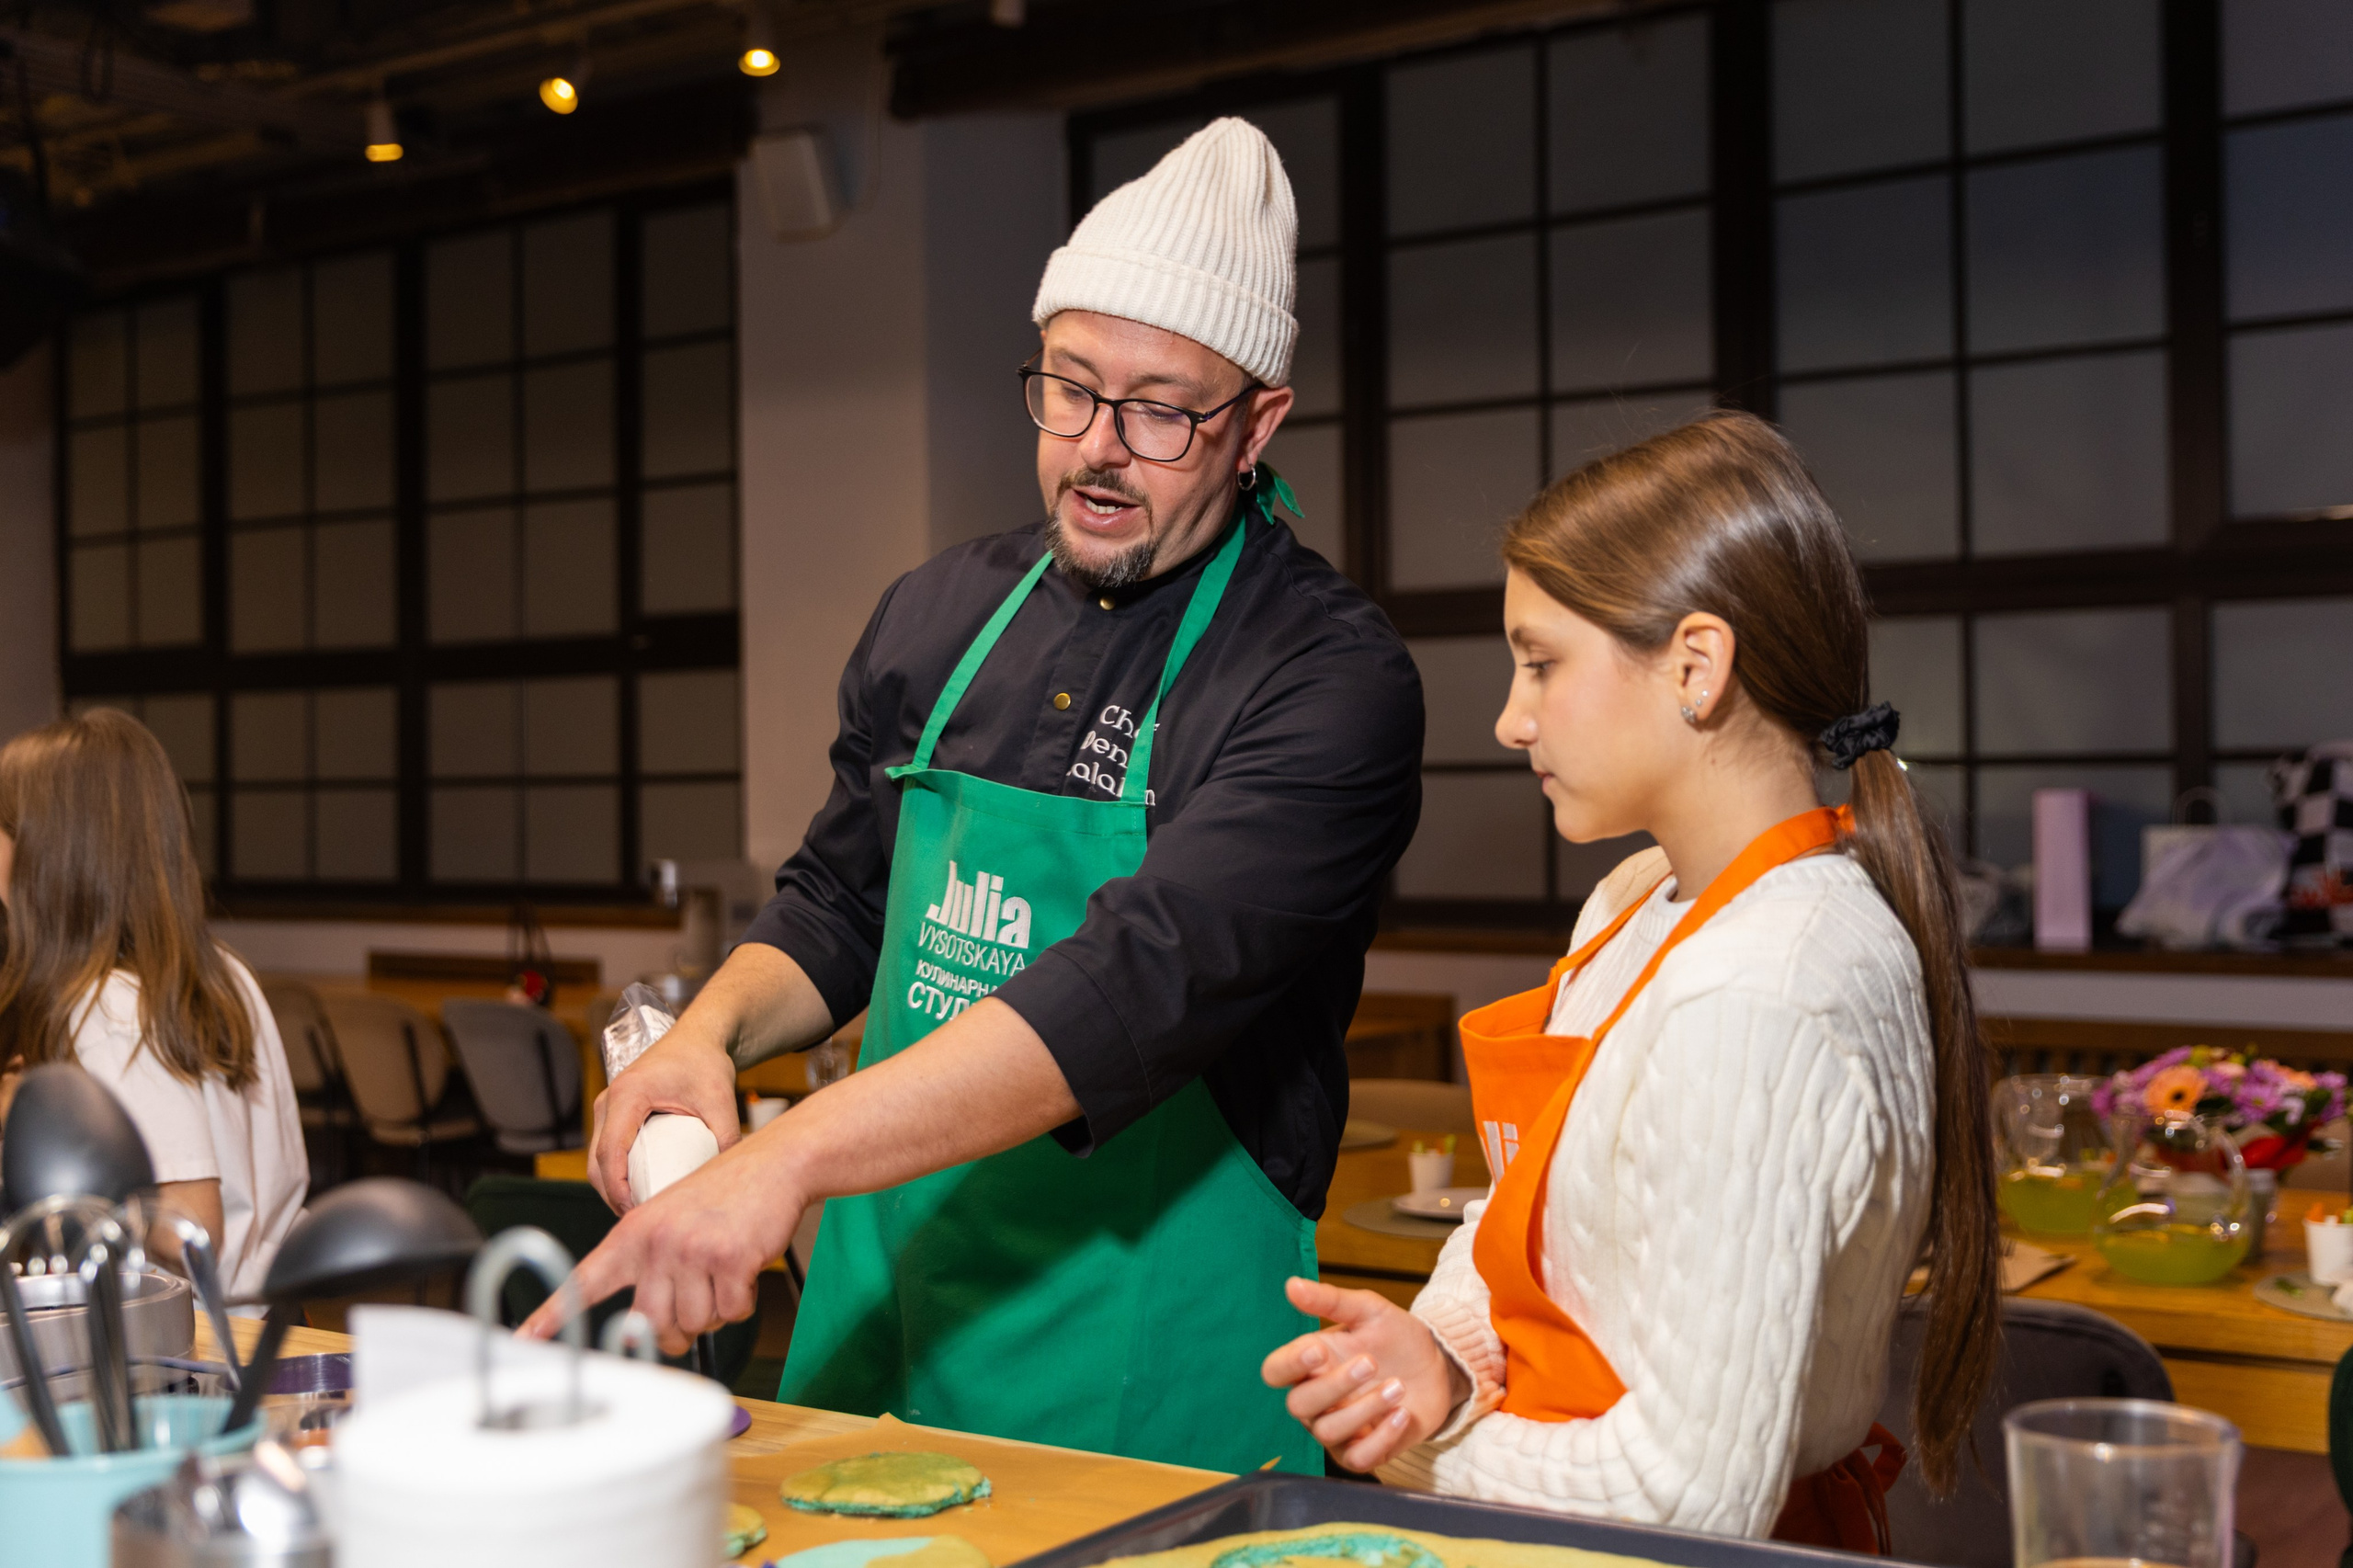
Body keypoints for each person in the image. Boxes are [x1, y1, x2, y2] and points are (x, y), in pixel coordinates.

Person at [526, 119, 1423, 1474]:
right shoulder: (943, 609)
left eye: (1162, 410)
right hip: (885, 1310)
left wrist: (784, 1161)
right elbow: (838, 897)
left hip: (1136, 1363)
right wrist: (704, 1037)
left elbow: (1129, 987)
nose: (1100, 449)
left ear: (1256, 427)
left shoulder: (1322, 677)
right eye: (1069, 388)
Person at [1262, 412, 2000, 1549]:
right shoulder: (1634, 900)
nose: (1511, 719)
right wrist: (1436, 1352)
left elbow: (1689, 1496)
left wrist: (1424, 1433)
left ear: (1695, 666)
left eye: (1542, 662)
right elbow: (1515, 1222)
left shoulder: (1764, 990)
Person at [0, 710, 306, 1301]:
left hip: (186, 1351)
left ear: (51, 851)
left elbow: (193, 1230)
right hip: (257, 1322)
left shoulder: (109, 1006)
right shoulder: (222, 972)